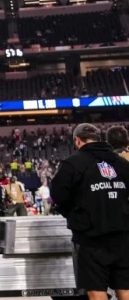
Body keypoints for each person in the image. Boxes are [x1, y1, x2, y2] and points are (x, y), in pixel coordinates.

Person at [50, 124, 129, 300]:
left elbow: (57, 195)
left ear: (77, 140)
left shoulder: (72, 164)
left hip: (90, 239)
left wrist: (74, 215)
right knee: (125, 288)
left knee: (95, 290)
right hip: (122, 236)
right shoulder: (121, 163)